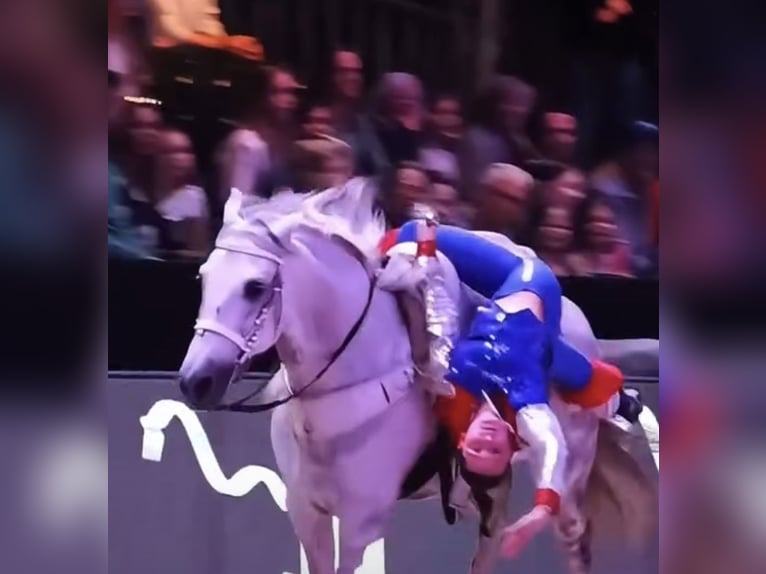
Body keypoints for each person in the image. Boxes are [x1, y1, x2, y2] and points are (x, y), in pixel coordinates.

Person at [379, 221, 642, 557]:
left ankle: (614, 401)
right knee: (581, 375)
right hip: (531, 287)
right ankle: (618, 402)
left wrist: (428, 254)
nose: (487, 443)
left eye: (477, 451)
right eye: (495, 452)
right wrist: (541, 509)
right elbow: (551, 447)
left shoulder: (452, 380)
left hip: (499, 301)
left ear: (463, 440)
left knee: (406, 234)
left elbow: (439, 321)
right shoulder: (526, 402)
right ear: (511, 445)